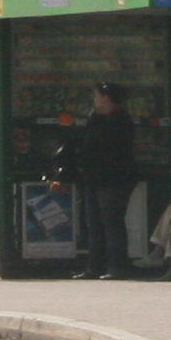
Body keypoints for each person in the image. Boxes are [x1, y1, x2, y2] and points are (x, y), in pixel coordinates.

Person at [68, 82, 141, 280]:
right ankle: (95, 266)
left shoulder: (120, 119)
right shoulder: (95, 117)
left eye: (97, 96)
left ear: (106, 98)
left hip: (113, 177)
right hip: (94, 177)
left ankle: (117, 265)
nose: (95, 100)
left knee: (111, 221)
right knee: (94, 223)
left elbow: (111, 147)